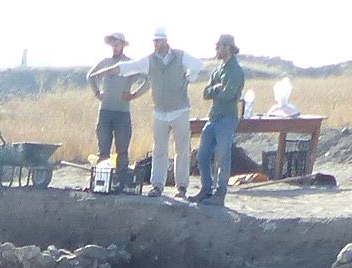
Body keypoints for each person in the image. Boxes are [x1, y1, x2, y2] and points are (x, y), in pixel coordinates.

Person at [88, 34, 146, 187]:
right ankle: (101, 182)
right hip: (105, 111)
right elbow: (90, 76)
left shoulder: (130, 63)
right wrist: (97, 93)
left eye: (118, 43)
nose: (115, 46)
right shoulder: (105, 62)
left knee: (122, 149)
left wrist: (134, 94)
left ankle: (121, 182)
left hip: (122, 112)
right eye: (113, 43)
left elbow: (146, 76)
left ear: (122, 45)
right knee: (103, 149)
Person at [144, 29, 195, 197]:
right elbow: (131, 67)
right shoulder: (151, 60)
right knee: (159, 149)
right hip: (160, 112)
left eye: (158, 41)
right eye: (154, 41)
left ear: (165, 41)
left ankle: (181, 187)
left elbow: (198, 65)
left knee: (182, 149)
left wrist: (190, 77)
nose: (156, 44)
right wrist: (114, 69)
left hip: (180, 110)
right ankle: (157, 185)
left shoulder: (180, 56)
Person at [197, 35, 246, 202]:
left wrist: (216, 90)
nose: (216, 49)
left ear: (228, 47)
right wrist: (217, 88)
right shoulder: (218, 70)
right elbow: (205, 93)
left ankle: (220, 193)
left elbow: (228, 94)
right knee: (202, 155)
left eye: (219, 46)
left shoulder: (236, 70)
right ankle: (206, 189)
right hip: (213, 117)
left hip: (227, 118)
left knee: (222, 156)